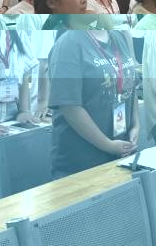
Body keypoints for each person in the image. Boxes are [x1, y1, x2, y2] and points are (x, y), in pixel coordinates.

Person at [48, 28, 139, 178]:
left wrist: (135, 126)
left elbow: (130, 86)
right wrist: (108, 145)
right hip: (83, 162)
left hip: (122, 155)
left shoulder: (119, 36)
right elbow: (70, 106)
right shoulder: (68, 43)